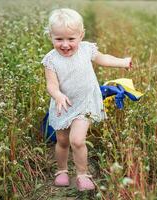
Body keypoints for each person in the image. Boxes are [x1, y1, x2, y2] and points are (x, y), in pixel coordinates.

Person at [41, 8, 132, 191]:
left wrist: (122, 62)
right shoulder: (50, 60)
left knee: (77, 140)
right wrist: (58, 95)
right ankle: (62, 170)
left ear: (81, 35)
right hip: (63, 105)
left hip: (85, 103)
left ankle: (83, 174)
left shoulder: (86, 50)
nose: (65, 44)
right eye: (59, 39)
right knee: (63, 141)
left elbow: (104, 59)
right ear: (51, 36)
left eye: (71, 39)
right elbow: (51, 85)